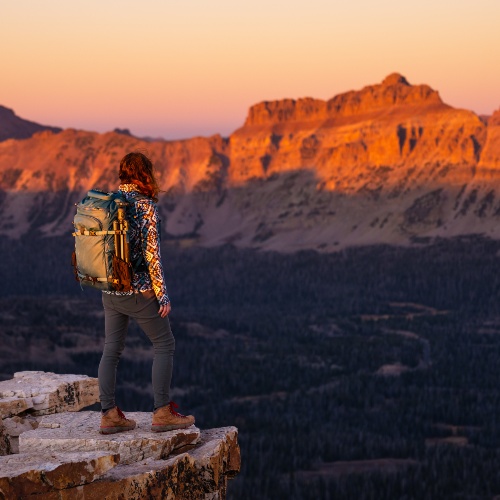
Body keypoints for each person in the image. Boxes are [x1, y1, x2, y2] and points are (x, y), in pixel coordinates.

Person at [98, 151, 194, 435]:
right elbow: (152, 256)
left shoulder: (107, 202)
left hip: (109, 288)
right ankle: (162, 412)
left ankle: (108, 415)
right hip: (139, 291)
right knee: (164, 344)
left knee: (111, 349)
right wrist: (162, 295)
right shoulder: (144, 206)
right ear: (145, 173)